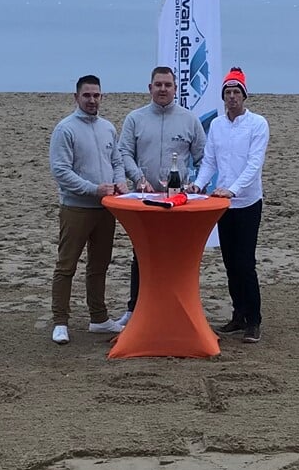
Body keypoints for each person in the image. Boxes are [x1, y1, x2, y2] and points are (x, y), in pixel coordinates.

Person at [111, 65, 207, 326]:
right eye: (158, 84)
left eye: (168, 85)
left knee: (176, 254)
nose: (163, 89)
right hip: (145, 199)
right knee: (142, 253)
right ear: (150, 88)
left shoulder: (189, 120)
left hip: (179, 203)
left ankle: (175, 309)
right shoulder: (135, 119)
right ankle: (135, 308)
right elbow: (124, 153)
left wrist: (195, 185)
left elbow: (203, 158)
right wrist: (138, 179)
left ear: (176, 89)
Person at [192, 67, 269, 343]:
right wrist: (199, 185)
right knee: (229, 262)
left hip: (247, 202)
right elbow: (209, 161)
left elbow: (253, 165)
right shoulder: (217, 125)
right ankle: (238, 314)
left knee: (245, 263)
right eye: (228, 92)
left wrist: (233, 190)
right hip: (223, 205)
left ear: (244, 96)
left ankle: (254, 320)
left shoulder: (258, 124)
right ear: (223, 97)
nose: (232, 97)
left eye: (237, 92)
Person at [47, 74, 125, 344]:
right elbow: (61, 171)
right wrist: (93, 189)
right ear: (76, 97)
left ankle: (99, 318)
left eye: (96, 95)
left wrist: (119, 183)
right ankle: (60, 321)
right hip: (77, 208)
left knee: (99, 265)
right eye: (87, 95)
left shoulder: (107, 128)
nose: (92, 100)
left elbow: (116, 160)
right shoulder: (65, 129)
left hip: (105, 208)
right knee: (66, 265)